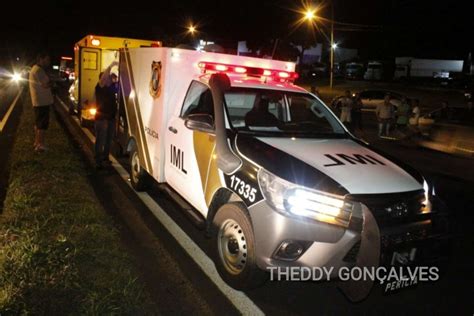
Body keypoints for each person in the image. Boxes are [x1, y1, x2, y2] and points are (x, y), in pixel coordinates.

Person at [94, 61, 119, 169]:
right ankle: (98, 160)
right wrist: (111, 65)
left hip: (110, 118)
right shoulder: (99, 88)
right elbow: (104, 77)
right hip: (101, 119)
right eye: (106, 78)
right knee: (100, 140)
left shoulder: (111, 88)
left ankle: (105, 158)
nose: (109, 79)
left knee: (108, 140)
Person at [29, 52, 54, 152]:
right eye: (47, 59)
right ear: (41, 59)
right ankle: (40, 145)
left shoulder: (34, 69)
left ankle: (36, 142)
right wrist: (52, 82)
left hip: (38, 101)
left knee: (38, 123)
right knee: (42, 124)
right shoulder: (39, 70)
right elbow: (45, 85)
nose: (48, 62)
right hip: (42, 101)